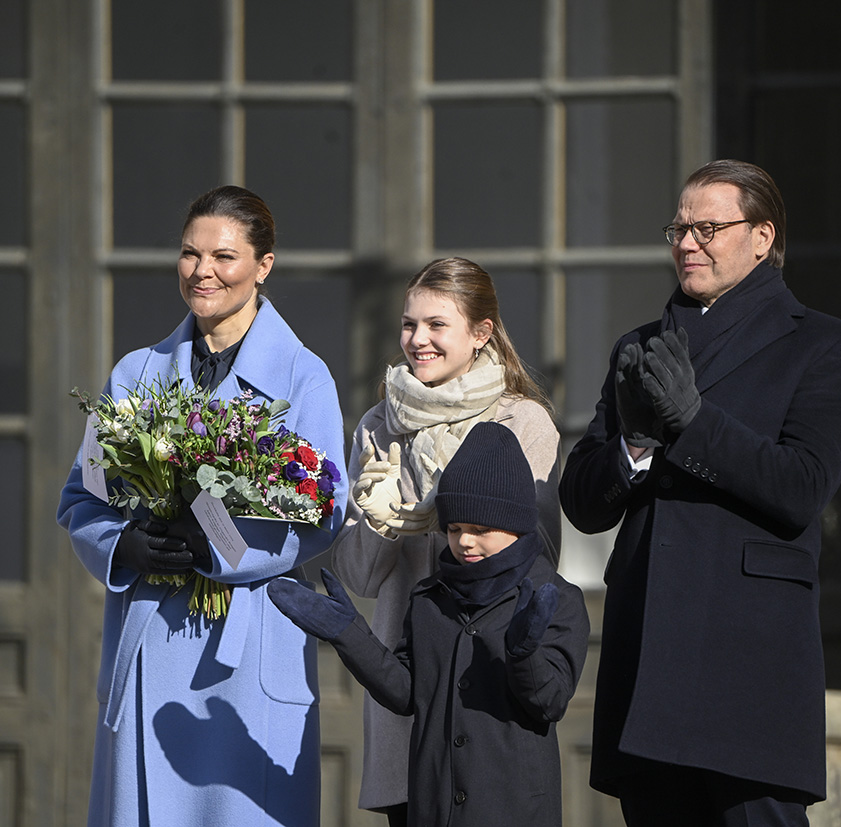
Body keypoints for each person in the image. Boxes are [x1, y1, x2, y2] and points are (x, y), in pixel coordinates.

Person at [559, 160, 841, 826]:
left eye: (708, 227)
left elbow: (801, 487)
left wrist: (693, 423)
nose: (687, 242)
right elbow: (583, 504)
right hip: (649, 667)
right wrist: (635, 444)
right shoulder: (639, 347)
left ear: (762, 238)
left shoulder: (827, 346)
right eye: (678, 227)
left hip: (749, 671)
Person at [57, 185, 348, 826]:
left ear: (263, 265)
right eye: (190, 254)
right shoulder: (136, 374)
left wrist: (217, 544)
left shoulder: (304, 376)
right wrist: (120, 544)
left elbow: (323, 512)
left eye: (224, 256)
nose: (203, 271)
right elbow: (84, 497)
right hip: (149, 633)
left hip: (249, 650)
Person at [329, 256, 561, 824]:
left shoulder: (521, 422)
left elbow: (534, 558)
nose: (418, 339)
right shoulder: (378, 425)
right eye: (410, 324)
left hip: (487, 681)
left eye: (437, 325)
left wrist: (431, 508)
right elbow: (359, 576)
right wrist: (378, 515)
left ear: (481, 333)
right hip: (404, 679)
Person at [269, 421, 589, 826]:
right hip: (432, 809)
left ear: (516, 524)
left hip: (513, 810)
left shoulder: (555, 598)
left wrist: (522, 654)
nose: (464, 542)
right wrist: (348, 634)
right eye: (454, 529)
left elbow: (549, 702)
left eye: (480, 529)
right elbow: (407, 694)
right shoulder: (429, 597)